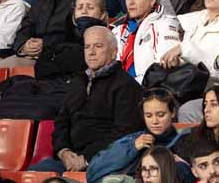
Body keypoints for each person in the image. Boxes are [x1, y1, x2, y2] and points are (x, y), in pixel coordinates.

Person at [31, 26, 144, 174]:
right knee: (33, 176)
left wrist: (85, 158)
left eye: (98, 46)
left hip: (104, 163)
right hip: (67, 160)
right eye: (87, 47)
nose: (91, 52)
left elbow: (123, 133)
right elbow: (62, 122)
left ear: (114, 52)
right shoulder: (78, 82)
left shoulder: (127, 86)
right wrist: (63, 151)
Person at [85, 88, 185, 183]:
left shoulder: (182, 143)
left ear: (172, 113)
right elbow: (92, 173)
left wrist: (176, 164)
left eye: (160, 115)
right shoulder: (132, 140)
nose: (154, 121)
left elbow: (188, 180)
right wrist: (131, 148)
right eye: (148, 116)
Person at [113, 0, 180, 82]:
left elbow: (162, 70)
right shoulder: (117, 30)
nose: (130, 2)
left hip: (147, 91)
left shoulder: (166, 24)